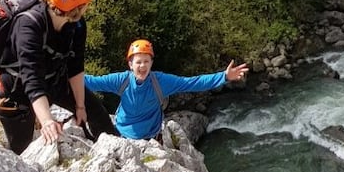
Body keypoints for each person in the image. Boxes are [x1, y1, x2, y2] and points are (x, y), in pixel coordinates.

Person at [0, 0, 117, 154]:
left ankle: (114, 152)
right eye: (86, 4)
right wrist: (46, 121)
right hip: (16, 93)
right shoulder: (29, 25)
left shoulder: (77, 25)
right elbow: (31, 78)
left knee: (97, 113)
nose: (87, 8)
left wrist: (80, 106)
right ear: (77, 7)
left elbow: (75, 65)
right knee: (22, 151)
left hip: (54, 81)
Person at [84, 39, 249, 141]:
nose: (142, 66)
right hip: (122, 133)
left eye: (146, 62)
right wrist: (67, 78)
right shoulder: (121, 80)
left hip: (150, 136)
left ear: (151, 63)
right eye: (138, 62)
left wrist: (224, 77)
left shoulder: (160, 81)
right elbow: (92, 82)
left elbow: (192, 83)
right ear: (130, 64)